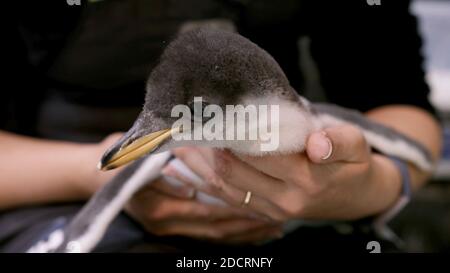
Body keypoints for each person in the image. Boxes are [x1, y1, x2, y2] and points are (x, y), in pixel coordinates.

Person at [0, 0, 442, 252]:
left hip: (307, 207)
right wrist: (100, 173)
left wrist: (367, 188)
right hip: (54, 189)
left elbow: (398, 104)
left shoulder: (291, 113)